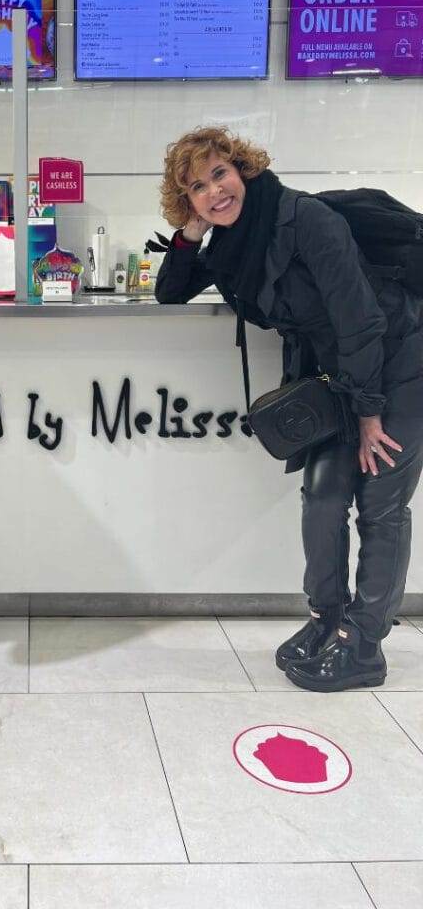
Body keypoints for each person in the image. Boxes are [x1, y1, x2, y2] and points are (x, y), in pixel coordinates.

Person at [156, 125, 423, 692]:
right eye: (198, 187)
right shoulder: (233, 245)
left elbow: (360, 320)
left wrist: (371, 413)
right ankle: (326, 617)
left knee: (380, 504)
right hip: (331, 376)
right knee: (323, 496)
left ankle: (364, 643)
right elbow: (169, 292)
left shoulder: (304, 220)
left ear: (243, 169)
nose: (214, 192)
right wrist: (189, 233)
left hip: (396, 365)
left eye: (219, 174)